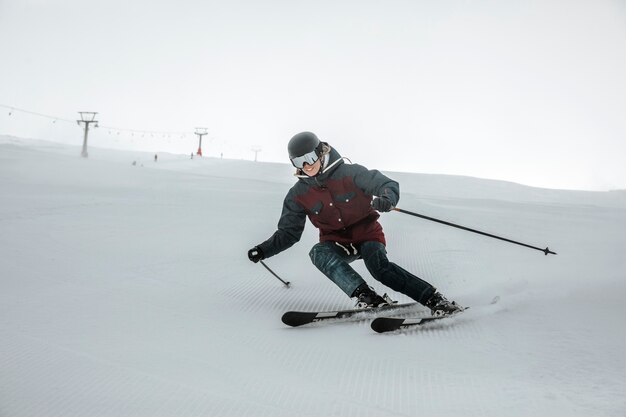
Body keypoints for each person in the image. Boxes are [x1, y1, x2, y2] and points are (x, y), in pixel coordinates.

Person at [247, 132, 462, 315]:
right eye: (298, 162)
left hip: (367, 234)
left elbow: (386, 184)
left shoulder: (349, 173)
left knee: (379, 268)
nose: (305, 166)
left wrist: (387, 198)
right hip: (337, 242)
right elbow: (288, 233)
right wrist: (263, 250)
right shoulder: (298, 194)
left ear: (321, 152)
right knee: (318, 252)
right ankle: (367, 296)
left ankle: (435, 300)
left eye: (309, 158)